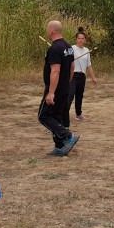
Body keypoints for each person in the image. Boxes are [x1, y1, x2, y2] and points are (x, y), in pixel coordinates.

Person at [38, 20, 79, 157]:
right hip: (64, 88)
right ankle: (60, 146)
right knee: (56, 117)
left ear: (51, 31)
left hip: (55, 89)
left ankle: (68, 136)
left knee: (43, 116)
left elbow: (55, 70)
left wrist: (51, 92)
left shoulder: (54, 48)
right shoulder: (68, 47)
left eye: (47, 29)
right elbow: (72, 67)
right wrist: (66, 83)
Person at [68, 28, 97, 121]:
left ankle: (78, 114)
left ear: (85, 40)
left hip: (82, 76)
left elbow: (89, 65)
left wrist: (93, 78)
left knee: (79, 96)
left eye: (82, 38)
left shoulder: (86, 50)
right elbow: (65, 58)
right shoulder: (71, 48)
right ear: (76, 39)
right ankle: (63, 114)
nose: (80, 40)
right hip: (73, 75)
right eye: (79, 38)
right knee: (70, 95)